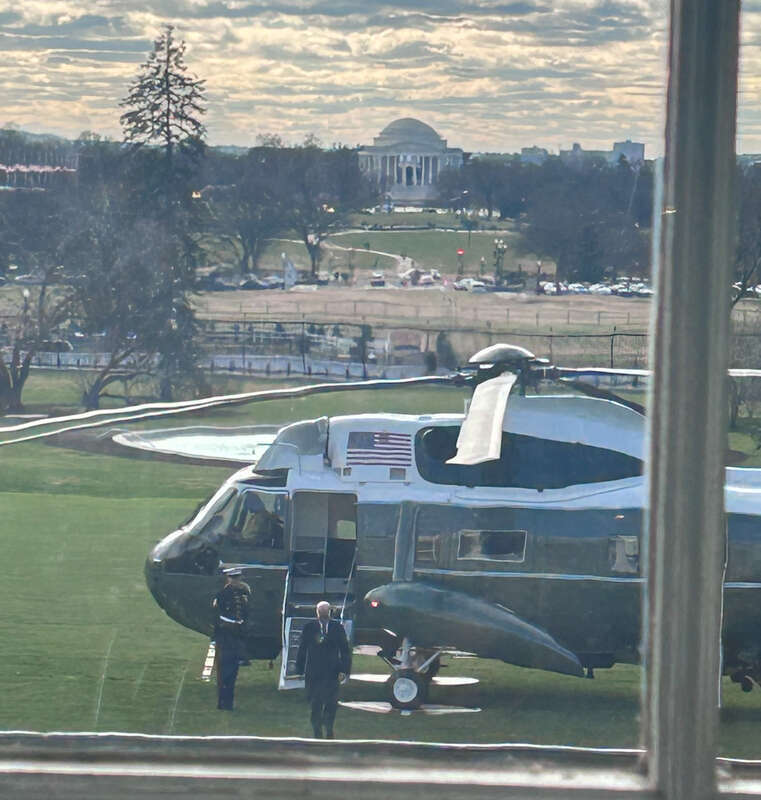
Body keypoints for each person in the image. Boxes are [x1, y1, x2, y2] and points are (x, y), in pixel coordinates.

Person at [295, 600, 351, 739]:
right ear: (317, 613)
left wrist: (344, 670)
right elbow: (302, 649)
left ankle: (329, 727)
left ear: (329, 612)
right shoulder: (309, 627)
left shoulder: (337, 628)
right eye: (322, 612)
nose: (323, 614)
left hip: (332, 671)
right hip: (314, 672)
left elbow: (345, 650)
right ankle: (317, 731)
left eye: (325, 611)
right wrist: (299, 669)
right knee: (315, 702)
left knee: (331, 702)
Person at [212, 568, 251, 711]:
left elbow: (244, 613)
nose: (237, 581)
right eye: (234, 578)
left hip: (236, 636)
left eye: (238, 578)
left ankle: (228, 701)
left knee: (233, 671)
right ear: (229, 579)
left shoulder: (242, 593)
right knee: (225, 671)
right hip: (225, 636)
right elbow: (217, 616)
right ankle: (223, 701)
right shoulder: (222, 595)